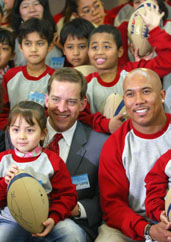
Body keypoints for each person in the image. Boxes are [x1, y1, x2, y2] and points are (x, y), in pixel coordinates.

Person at [96, 68, 171, 242]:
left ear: (162, 95)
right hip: (136, 223)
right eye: (130, 94)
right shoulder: (115, 144)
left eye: (146, 92)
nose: (139, 101)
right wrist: (148, 230)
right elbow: (113, 205)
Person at [44, 67, 109, 242]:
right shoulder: (21, 133)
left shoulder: (99, 144)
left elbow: (106, 200)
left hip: (70, 223)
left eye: (71, 102)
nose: (61, 108)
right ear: (46, 99)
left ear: (83, 104)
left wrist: (77, 208)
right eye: (56, 99)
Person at [0, 100, 79, 242]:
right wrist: (5, 183)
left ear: (43, 133)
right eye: (16, 129)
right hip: (10, 220)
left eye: (30, 130)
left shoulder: (52, 161)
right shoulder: (3, 160)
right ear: (9, 130)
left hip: (46, 218)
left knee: (73, 234)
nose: (22, 136)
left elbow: (67, 195)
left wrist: (53, 218)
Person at [85, 4, 171, 123]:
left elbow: (169, 61)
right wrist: (107, 125)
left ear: (120, 51)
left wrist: (154, 30)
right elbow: (82, 116)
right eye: (95, 47)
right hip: (101, 137)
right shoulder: (86, 83)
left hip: (138, 134)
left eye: (107, 46)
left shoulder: (134, 71)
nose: (100, 52)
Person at [0, 18, 55, 130]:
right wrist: (9, 129)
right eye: (28, 44)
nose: (33, 49)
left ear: (50, 46)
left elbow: (54, 112)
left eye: (40, 43)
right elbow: (3, 111)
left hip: (44, 134)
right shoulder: (11, 76)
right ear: (20, 47)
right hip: (13, 135)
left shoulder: (55, 79)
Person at [11, 0, 62, 67]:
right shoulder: (13, 40)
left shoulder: (56, 37)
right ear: (18, 13)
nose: (32, 10)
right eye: (25, 6)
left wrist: (62, 48)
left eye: (36, 4)